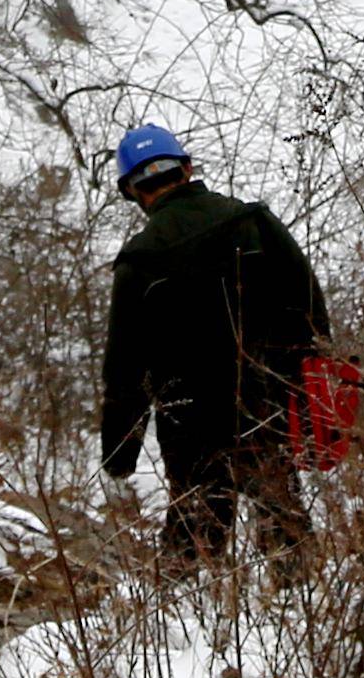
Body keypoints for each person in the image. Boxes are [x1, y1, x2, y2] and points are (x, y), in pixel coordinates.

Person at [94, 120, 328, 565]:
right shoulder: (255, 222)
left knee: (194, 537)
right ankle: (300, 612)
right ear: (187, 168)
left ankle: (185, 626)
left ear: (132, 191)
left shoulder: (139, 260)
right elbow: (311, 315)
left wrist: (120, 456)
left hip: (189, 425)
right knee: (285, 528)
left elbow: (125, 370)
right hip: (267, 407)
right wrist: (313, 404)